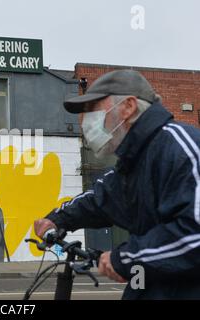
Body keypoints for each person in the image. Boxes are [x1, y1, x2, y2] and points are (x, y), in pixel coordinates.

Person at [34, 69, 200, 299]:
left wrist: (125, 258)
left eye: (94, 110)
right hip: (149, 286)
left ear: (128, 107)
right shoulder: (132, 163)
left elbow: (194, 234)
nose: (86, 121)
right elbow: (100, 199)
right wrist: (57, 219)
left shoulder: (180, 148)